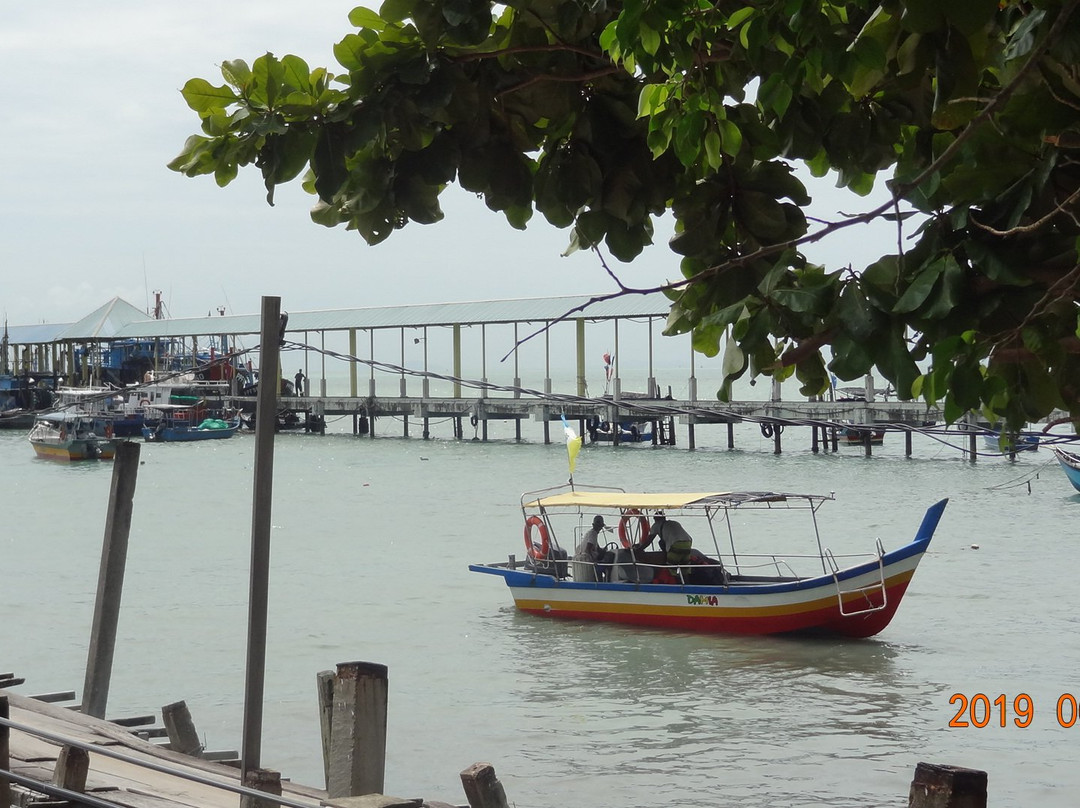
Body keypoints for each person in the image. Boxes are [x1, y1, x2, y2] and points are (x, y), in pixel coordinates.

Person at [573, 515, 612, 582]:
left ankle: (602, 580)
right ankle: (606, 581)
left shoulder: (590, 533)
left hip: (585, 559)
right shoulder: (593, 533)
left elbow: (597, 548)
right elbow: (588, 549)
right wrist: (594, 561)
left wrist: (604, 550)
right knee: (607, 566)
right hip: (589, 560)